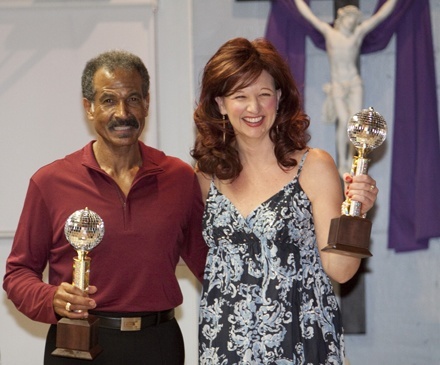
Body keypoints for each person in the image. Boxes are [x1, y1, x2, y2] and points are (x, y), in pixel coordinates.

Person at [3, 50, 208, 365]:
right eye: (109, 100)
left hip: (159, 345)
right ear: (89, 107)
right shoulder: (50, 181)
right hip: (77, 345)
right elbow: (18, 274)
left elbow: (212, 265)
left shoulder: (179, 178)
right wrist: (51, 297)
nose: (123, 113)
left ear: (147, 103)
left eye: (134, 99)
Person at [191, 37, 379, 364]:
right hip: (225, 344)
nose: (254, 108)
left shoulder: (313, 166)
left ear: (278, 98)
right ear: (220, 103)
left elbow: (341, 270)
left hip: (300, 342)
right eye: (240, 96)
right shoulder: (207, 175)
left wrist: (357, 212)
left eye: (264, 95)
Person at [294, 0, 397, 176]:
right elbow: (309, 16)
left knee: (356, 126)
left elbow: (380, 16)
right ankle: (342, 163)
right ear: (342, 19)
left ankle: (352, 161)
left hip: (354, 83)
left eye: (355, 19)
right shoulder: (330, 34)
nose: (352, 22)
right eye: (349, 18)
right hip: (338, 85)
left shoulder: (357, 34)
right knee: (344, 121)